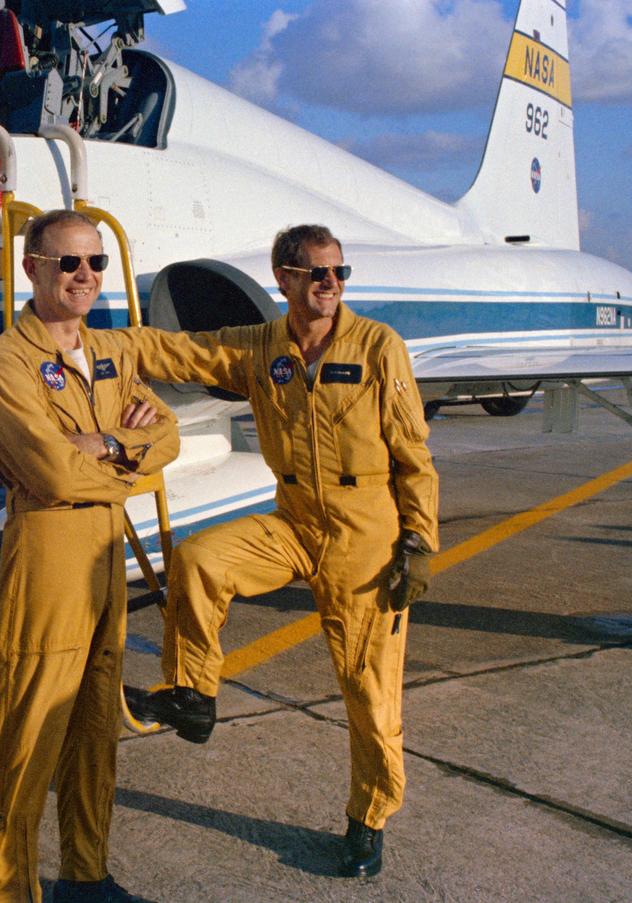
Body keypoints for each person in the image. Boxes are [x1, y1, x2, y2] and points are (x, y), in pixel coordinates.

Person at [124, 224, 439, 878]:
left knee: (369, 693)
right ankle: (193, 695)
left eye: (339, 273)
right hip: (295, 519)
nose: (331, 284)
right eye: (317, 273)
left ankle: (368, 817)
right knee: (200, 558)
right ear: (286, 279)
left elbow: (415, 456)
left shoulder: (378, 346)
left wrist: (419, 540)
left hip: (367, 534)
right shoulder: (262, 348)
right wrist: (84, 340)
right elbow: (181, 352)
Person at [0, 209, 180, 902]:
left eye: (95, 264)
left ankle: (85, 878)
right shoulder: (5, 366)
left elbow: (167, 435)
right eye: (69, 263)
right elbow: (52, 475)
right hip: (48, 555)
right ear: (33, 268)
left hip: (103, 558)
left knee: (95, 731)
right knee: (29, 742)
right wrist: (125, 453)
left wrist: (110, 445)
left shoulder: (107, 355)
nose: (84, 276)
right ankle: (9, 889)